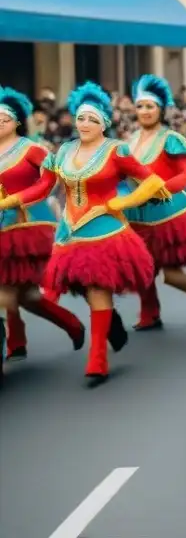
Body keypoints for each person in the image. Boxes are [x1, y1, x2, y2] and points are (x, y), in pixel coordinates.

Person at [0, 82, 165, 387]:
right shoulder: (63, 150)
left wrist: (122, 202)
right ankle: (108, 325)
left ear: (104, 123)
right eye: (80, 118)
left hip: (105, 231)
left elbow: (151, 181)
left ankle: (98, 357)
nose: (85, 123)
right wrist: (14, 200)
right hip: (69, 232)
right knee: (77, 287)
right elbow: (44, 185)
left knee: (97, 289)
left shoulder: (117, 150)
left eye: (92, 119)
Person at [0, 86, 85, 379]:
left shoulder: (32, 149)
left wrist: (18, 198)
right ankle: (70, 323)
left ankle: (13, 343)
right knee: (26, 296)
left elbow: (50, 181)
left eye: (5, 118)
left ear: (18, 122)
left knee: (5, 294)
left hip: (25, 229)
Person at [125, 75, 186, 331]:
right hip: (136, 214)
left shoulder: (170, 139)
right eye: (141, 106)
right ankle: (150, 312)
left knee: (173, 275)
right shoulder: (129, 141)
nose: (145, 111)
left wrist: (159, 189)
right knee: (143, 269)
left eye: (150, 106)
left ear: (161, 109)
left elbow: (184, 175)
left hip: (169, 216)